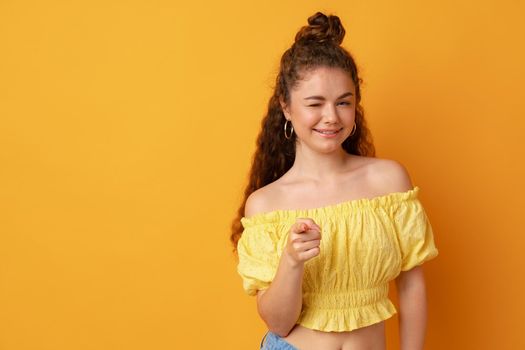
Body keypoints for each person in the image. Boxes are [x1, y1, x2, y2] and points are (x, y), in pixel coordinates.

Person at [230, 11, 439, 350]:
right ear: (286, 107)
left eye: (344, 102)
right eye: (315, 103)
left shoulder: (389, 181)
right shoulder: (266, 204)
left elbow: (412, 286)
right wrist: (292, 261)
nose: (331, 117)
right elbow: (279, 323)